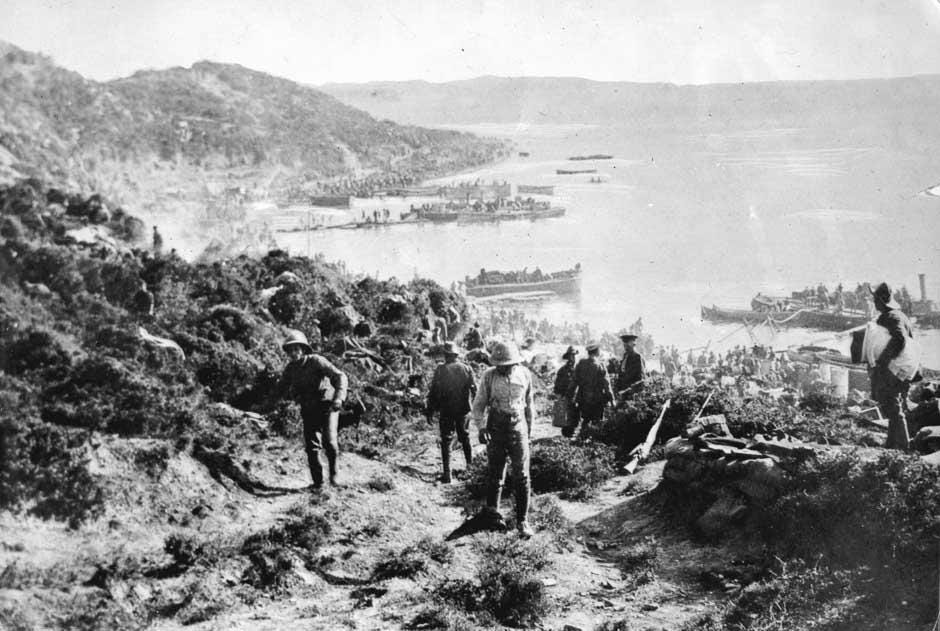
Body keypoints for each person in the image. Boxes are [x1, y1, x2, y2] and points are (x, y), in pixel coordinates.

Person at [471, 341, 535, 538]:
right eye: (499, 364)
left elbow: (529, 405)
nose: (502, 368)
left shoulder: (524, 374)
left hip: (518, 427)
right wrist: (481, 428)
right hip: (496, 427)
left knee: (522, 476)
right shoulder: (489, 376)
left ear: (514, 363)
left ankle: (522, 521)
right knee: (496, 474)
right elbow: (478, 405)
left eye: (506, 365)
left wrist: (528, 432)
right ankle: (493, 516)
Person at [274, 330, 348, 489]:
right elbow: (279, 391)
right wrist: (262, 409)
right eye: (290, 350)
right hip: (308, 409)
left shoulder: (316, 361)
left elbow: (340, 376)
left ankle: (334, 475)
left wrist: (339, 398)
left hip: (328, 406)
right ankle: (318, 483)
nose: (294, 353)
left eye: (297, 349)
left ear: (303, 349)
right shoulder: (290, 369)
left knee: (329, 442)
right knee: (312, 447)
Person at [870, 282, 918, 450]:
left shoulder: (892, 317)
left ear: (882, 300)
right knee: (895, 407)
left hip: (895, 369)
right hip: (906, 369)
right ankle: (892, 447)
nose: (873, 302)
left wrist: (883, 361)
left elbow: (899, 339)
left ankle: (904, 449)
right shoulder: (900, 315)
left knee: (894, 408)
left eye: (875, 299)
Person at [426, 341, 477, 483]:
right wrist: (475, 408)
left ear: (446, 355)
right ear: (456, 354)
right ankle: (470, 469)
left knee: (446, 440)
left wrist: (430, 409)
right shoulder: (467, 369)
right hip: (463, 410)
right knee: (465, 438)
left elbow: (434, 391)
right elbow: (475, 390)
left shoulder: (441, 370)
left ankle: (447, 474)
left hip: (447, 410)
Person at [567, 342, 615, 439]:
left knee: (585, 419)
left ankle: (582, 438)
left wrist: (569, 394)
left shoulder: (581, 363)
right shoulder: (600, 365)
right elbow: (607, 384)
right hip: (597, 399)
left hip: (583, 398)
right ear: (597, 352)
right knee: (597, 421)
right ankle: (593, 441)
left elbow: (574, 381)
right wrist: (612, 399)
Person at [553, 346, 579, 438]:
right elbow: (557, 385)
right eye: (571, 356)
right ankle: (566, 434)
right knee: (566, 416)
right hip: (566, 396)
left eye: (574, 356)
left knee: (575, 416)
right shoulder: (562, 370)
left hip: (576, 396)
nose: (572, 358)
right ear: (568, 357)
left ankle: (572, 432)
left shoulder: (579, 368)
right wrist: (559, 395)